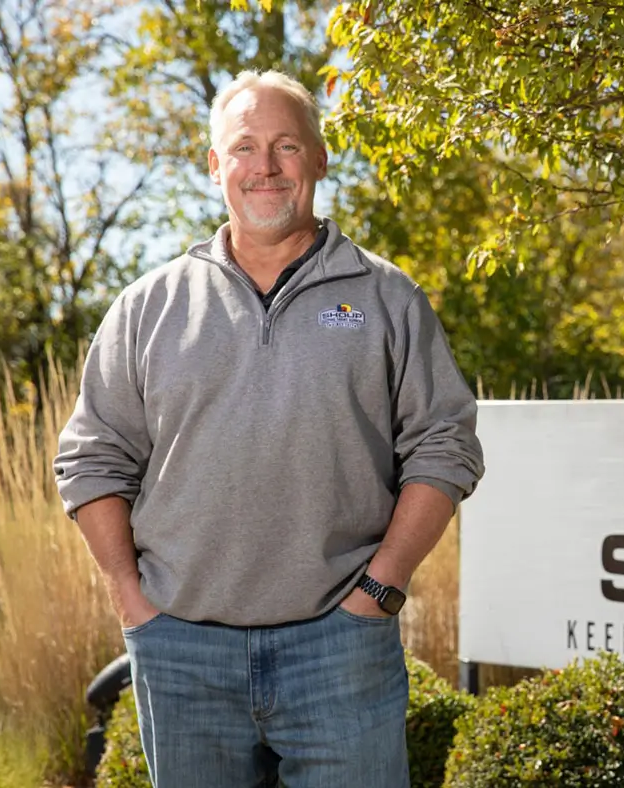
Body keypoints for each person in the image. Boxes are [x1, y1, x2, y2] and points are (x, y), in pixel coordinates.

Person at [51, 70, 484, 787]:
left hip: (340, 649)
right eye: (245, 148)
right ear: (215, 166)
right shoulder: (148, 306)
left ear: (319, 158)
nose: (266, 167)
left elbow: (445, 446)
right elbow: (91, 460)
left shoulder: (386, 297)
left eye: (287, 146)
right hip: (182, 651)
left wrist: (379, 591)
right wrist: (133, 601)